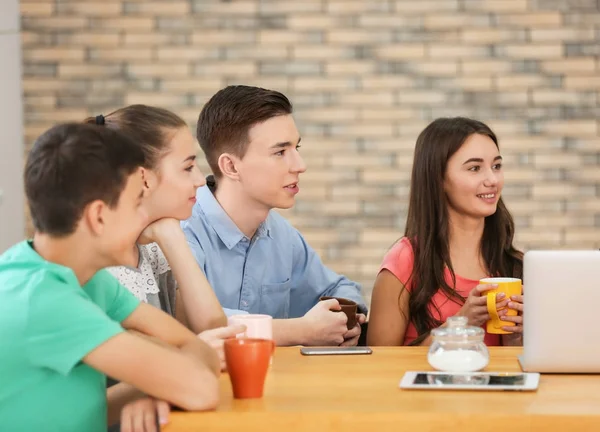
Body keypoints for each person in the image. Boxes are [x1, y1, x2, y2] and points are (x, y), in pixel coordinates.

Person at [0, 124, 220, 432]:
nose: (145, 217)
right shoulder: (42, 300)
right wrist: (168, 381)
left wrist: (157, 388)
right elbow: (202, 389)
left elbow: (199, 351)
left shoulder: (85, 278)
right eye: (136, 204)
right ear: (99, 216)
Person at [182, 85, 367, 347]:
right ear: (231, 166)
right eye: (280, 152)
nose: (300, 165)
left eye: (296, 148)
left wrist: (346, 322)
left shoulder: (282, 236)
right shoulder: (183, 232)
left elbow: (338, 290)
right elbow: (195, 323)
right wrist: (301, 330)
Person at [85, 107, 241, 369]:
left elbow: (211, 327)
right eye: (188, 167)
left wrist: (171, 236)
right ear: (143, 178)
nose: (201, 180)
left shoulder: (151, 250)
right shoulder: (98, 269)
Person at [367, 117, 524, 347]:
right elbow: (378, 365)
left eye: (496, 166)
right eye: (474, 168)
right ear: (438, 178)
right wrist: (461, 323)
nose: (492, 180)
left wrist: (516, 336)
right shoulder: (405, 261)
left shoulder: (515, 264)